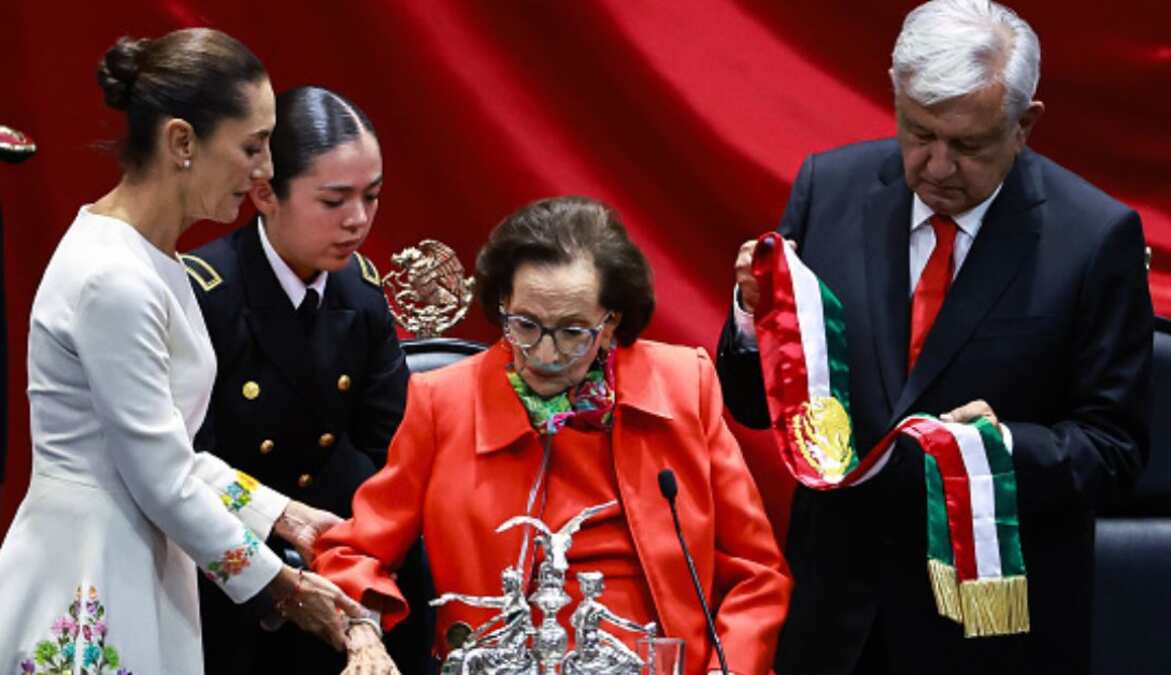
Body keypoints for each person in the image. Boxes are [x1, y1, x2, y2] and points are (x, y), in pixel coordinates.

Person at [715, 1, 1153, 674]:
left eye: (969, 145)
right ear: (895, 97)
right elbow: (753, 404)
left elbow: (1115, 449)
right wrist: (751, 314)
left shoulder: (1095, 238)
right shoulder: (827, 189)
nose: (939, 167)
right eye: (919, 133)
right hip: (834, 624)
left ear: (1025, 125)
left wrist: (1002, 450)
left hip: (991, 633)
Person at [0, 29, 361, 674]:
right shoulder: (113, 276)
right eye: (252, 147)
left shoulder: (153, 260)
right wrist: (284, 587)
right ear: (181, 142)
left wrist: (287, 515)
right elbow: (162, 478)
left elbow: (171, 456)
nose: (266, 172)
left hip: (137, 554)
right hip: (89, 570)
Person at [313, 196, 792, 675]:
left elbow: (757, 575)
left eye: (572, 332)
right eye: (525, 325)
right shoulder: (444, 403)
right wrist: (362, 633)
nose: (545, 353)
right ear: (502, 304)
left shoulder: (684, 385)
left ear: (612, 324)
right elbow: (353, 552)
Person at [182, 85, 425, 675]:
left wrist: (358, 559)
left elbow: (387, 447)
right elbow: (184, 461)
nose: (359, 220)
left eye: (371, 197)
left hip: (337, 545)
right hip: (230, 561)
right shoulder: (205, 291)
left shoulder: (359, 293)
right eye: (334, 200)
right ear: (265, 193)